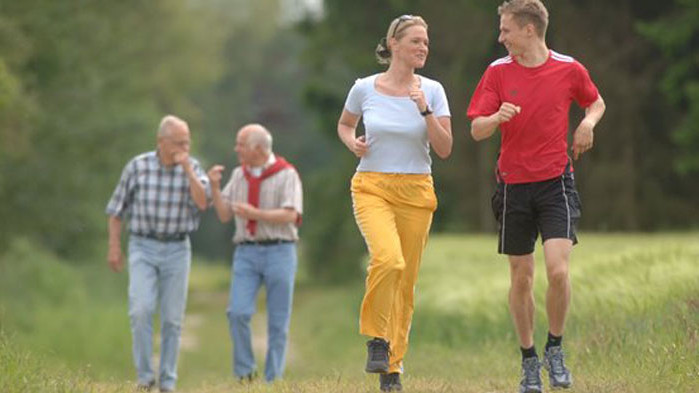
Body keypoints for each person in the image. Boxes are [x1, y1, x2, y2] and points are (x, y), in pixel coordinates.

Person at [466, 1, 606, 392]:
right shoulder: (497, 72)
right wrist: (495, 119)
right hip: (513, 185)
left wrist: (587, 125)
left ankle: (555, 349)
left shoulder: (568, 68)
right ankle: (529, 360)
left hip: (556, 182)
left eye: (505, 30)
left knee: (559, 271)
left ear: (529, 30)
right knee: (522, 277)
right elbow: (476, 129)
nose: (500, 37)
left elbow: (595, 101)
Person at [337, 14, 453, 392]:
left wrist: (424, 109)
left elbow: (445, 148)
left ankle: (393, 368)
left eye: (426, 41)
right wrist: (352, 141)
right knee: (389, 260)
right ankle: (376, 338)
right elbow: (344, 124)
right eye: (416, 41)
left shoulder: (432, 90)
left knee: (405, 282)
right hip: (372, 185)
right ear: (394, 45)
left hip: (417, 190)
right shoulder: (364, 88)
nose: (423, 47)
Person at [106, 115, 210, 392]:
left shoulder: (193, 167)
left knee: (172, 319)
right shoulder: (137, 167)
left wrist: (187, 169)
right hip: (142, 246)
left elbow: (202, 203)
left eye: (187, 142)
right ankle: (144, 377)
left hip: (177, 248)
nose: (184, 147)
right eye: (178, 143)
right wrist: (114, 247)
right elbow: (116, 211)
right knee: (140, 311)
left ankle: (167, 381)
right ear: (161, 142)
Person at [207, 124, 303, 383]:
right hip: (246, 253)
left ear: (258, 148)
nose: (236, 149)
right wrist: (215, 188)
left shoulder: (287, 174)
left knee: (278, 322)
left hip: (280, 250)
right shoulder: (239, 175)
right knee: (237, 312)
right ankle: (245, 373)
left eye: (241, 144)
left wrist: (256, 214)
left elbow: (291, 215)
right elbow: (225, 214)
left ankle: (273, 379)